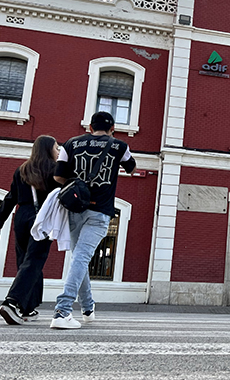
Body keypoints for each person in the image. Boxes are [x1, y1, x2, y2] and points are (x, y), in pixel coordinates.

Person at [50, 112, 136, 329]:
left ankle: (88, 308)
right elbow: (132, 167)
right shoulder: (120, 146)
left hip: (75, 208)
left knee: (79, 257)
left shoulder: (70, 143)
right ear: (113, 128)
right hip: (100, 211)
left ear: (89, 126)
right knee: (81, 257)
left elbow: (58, 176)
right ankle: (62, 311)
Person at [0, 135, 60, 325]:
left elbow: (10, 198)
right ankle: (12, 302)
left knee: (26, 262)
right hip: (42, 218)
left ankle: (28, 308)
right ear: (48, 150)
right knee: (34, 261)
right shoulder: (55, 170)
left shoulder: (21, 170)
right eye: (56, 147)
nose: (58, 150)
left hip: (21, 217)